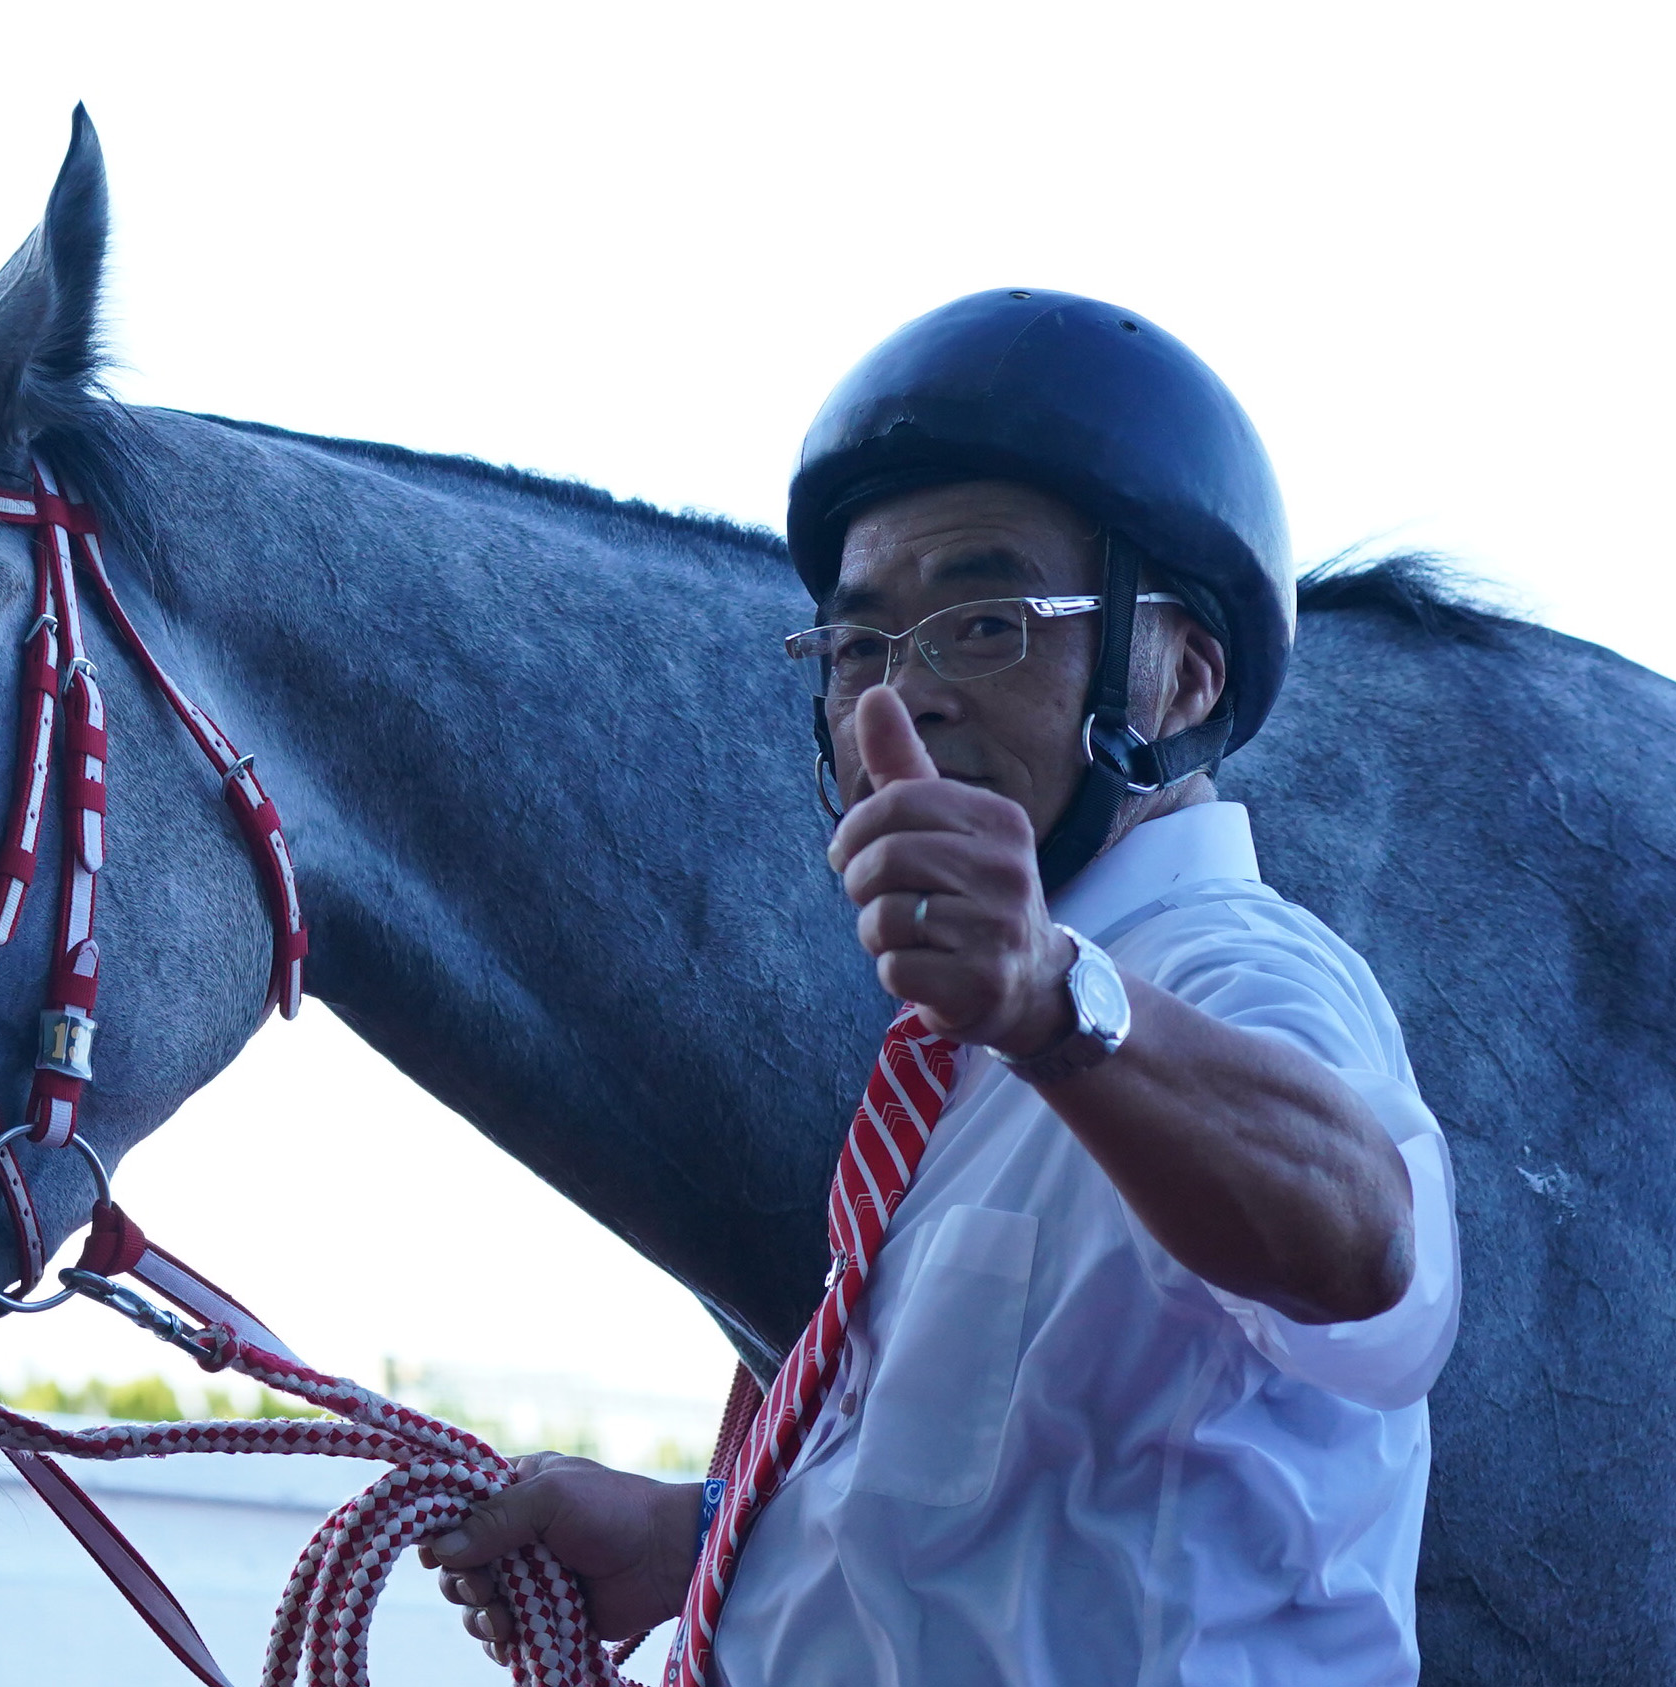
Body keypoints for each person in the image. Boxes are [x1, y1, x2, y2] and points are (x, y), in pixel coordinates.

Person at [421, 289, 1461, 1684]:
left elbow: (1364, 1244)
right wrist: (705, 1535)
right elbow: (988, 1522)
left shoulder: (1224, 973)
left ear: (1180, 676)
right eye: (859, 646)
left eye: (985, 622)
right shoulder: (970, 1055)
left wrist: (1049, 999)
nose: (897, 708)